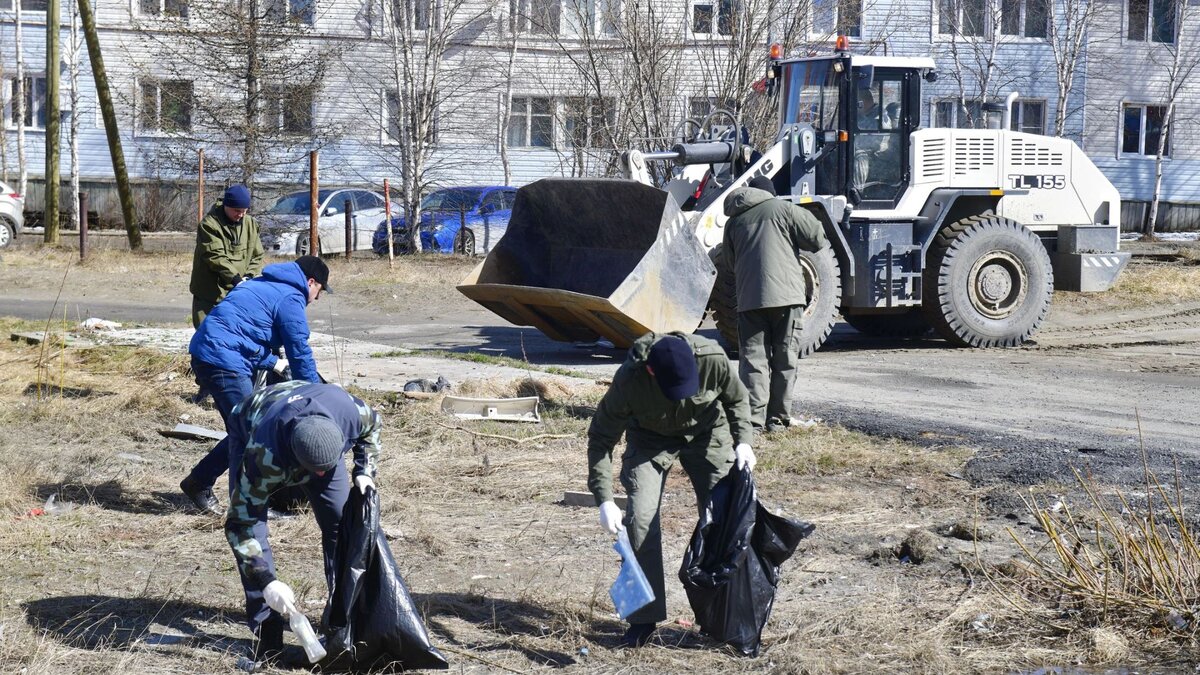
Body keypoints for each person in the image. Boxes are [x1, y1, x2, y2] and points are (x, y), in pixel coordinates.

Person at [587, 331, 755, 648]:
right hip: (650, 441)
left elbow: (736, 398)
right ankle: (641, 619)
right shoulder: (630, 381)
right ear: (652, 372)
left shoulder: (712, 359)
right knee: (639, 524)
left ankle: (721, 614)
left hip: (706, 434)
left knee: (724, 516)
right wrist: (604, 499)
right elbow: (600, 440)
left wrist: (743, 441)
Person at [222, 380, 381, 665]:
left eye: (326, 469)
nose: (320, 477)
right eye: (313, 470)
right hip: (252, 417)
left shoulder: (350, 413)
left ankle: (341, 620)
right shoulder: (263, 456)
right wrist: (266, 580)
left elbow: (373, 426)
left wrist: (364, 469)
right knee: (255, 531)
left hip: (315, 408)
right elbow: (241, 524)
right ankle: (267, 634)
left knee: (342, 523)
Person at [179, 255, 332, 515]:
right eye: (319, 290)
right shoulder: (291, 297)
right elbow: (299, 351)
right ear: (310, 281)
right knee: (253, 432)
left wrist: (272, 362)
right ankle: (246, 507)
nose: (317, 298)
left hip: (211, 353)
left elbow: (241, 333)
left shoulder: (262, 284)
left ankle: (200, 482)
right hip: (223, 361)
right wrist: (313, 393)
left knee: (245, 429)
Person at [721, 176, 829, 433]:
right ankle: (778, 420)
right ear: (770, 193)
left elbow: (729, 262)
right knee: (784, 358)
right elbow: (817, 238)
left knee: (753, 360)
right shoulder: (785, 209)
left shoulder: (733, 221)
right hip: (786, 299)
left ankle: (753, 422)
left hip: (749, 300)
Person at [190, 184, 264, 328]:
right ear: (226, 206)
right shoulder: (209, 225)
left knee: (233, 334)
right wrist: (235, 278)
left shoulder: (251, 224)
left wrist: (249, 276)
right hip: (210, 293)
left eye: (244, 211)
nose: (241, 215)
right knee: (207, 335)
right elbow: (215, 257)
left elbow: (257, 254)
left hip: (237, 292)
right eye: (237, 211)